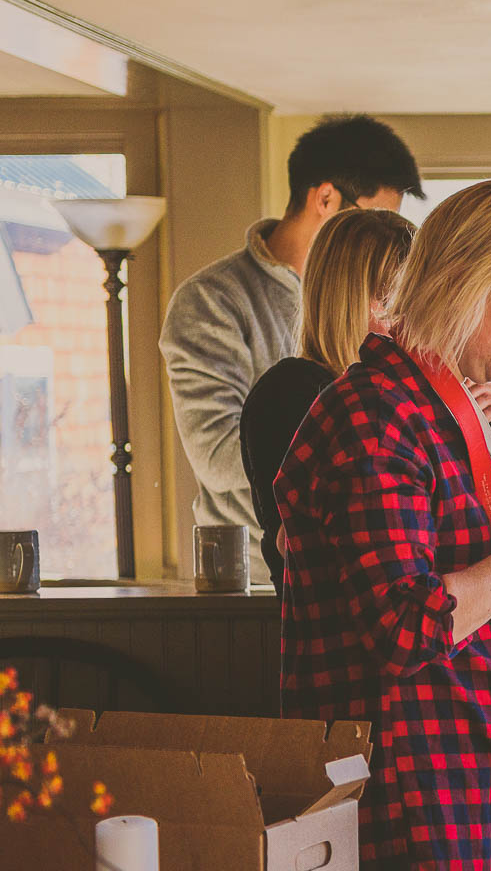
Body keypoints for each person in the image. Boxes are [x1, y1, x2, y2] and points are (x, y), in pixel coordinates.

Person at [277, 177, 491, 871]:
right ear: (468, 281)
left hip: (460, 770)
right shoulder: (377, 417)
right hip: (407, 786)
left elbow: (463, 595)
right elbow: (409, 627)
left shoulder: (438, 408)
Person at [160, 115, 422, 579]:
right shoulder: (211, 302)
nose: (378, 236)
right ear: (325, 198)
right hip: (255, 579)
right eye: (369, 219)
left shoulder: (388, 318)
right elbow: (220, 456)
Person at [239, 208, 415, 596]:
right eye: (395, 302)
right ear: (346, 298)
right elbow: (307, 544)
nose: (413, 322)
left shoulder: (403, 398)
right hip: (336, 639)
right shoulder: (291, 392)